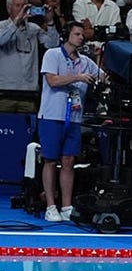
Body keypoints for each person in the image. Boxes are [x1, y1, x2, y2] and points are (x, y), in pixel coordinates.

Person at [38, 21, 100, 223]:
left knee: (69, 161)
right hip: (52, 116)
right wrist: (78, 77)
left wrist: (101, 57)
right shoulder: (52, 54)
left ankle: (66, 206)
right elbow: (53, 81)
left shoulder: (86, 61)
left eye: (83, 35)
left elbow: (102, 76)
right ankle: (50, 206)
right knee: (50, 160)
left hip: (74, 118)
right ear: (67, 35)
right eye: (77, 34)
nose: (81, 37)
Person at [0, 0, 59, 114]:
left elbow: (52, 45)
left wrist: (50, 22)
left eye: (24, 6)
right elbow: (2, 40)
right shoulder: (2, 26)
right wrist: (16, 22)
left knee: (27, 130)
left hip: (29, 92)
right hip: (4, 92)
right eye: (18, 6)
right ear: (8, 8)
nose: (22, 9)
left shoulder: (34, 28)